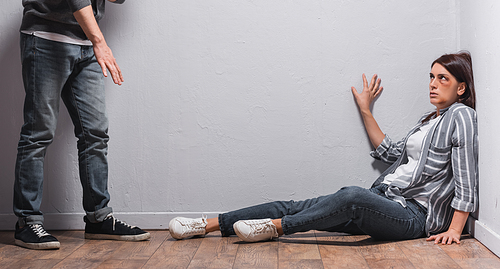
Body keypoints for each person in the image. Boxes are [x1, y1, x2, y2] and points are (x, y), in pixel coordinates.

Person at [168, 52, 478, 245]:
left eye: (443, 78)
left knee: (351, 196)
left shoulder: (462, 116)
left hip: (413, 216)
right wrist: (365, 108)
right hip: (385, 201)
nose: (433, 84)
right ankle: (206, 225)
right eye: (431, 77)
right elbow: (389, 152)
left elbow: (465, 178)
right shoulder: (429, 121)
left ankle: (274, 228)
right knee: (298, 204)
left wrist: (455, 229)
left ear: (461, 88)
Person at [14, 0, 150, 250]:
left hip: (85, 44)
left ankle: (99, 219)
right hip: (46, 36)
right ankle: (28, 222)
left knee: (95, 133)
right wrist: (101, 42)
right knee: (38, 132)